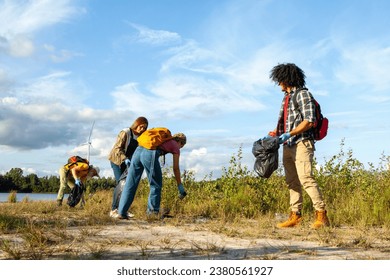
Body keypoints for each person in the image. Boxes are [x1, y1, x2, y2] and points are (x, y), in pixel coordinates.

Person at [268, 63, 330, 229]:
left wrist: (291, 133)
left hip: (302, 142)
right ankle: (295, 216)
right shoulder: (286, 98)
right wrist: (278, 132)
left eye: (279, 80)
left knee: (306, 178)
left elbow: (309, 121)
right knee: (291, 181)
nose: (278, 83)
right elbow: (290, 121)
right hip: (287, 144)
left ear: (286, 79)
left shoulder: (303, 94)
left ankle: (321, 215)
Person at [113, 132, 187, 219]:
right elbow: (176, 168)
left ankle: (121, 212)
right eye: (181, 146)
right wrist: (179, 185)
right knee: (156, 184)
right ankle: (152, 213)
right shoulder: (175, 145)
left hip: (138, 150)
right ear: (180, 142)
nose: (180, 148)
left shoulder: (163, 140)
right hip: (149, 153)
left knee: (130, 183)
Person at [108, 117, 148, 216]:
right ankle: (114, 210)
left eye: (145, 128)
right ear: (137, 124)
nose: (142, 129)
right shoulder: (125, 132)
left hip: (129, 163)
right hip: (117, 160)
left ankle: (123, 209)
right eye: (141, 126)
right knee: (121, 184)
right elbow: (117, 148)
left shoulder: (140, 137)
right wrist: (124, 158)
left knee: (127, 185)